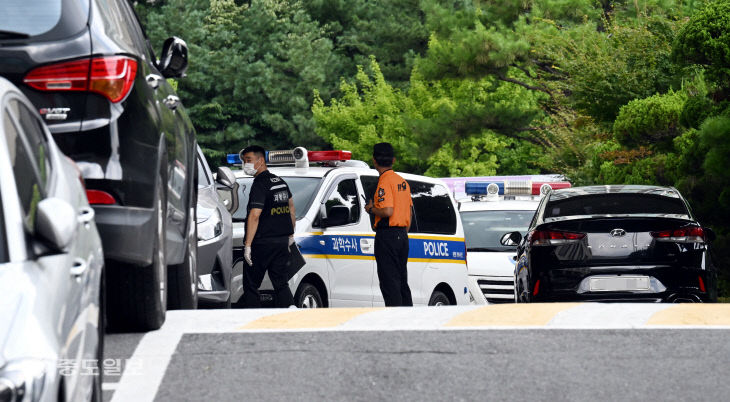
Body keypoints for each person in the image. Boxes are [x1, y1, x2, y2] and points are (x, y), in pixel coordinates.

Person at [240, 145, 296, 308]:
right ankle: (291, 312)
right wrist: (290, 234)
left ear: (261, 160)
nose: (246, 164)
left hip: (262, 243)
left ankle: (252, 319)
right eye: (244, 161)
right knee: (281, 284)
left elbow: (255, 215)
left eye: (249, 160)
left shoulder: (260, 184)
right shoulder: (280, 182)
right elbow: (291, 207)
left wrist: (248, 245)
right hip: (281, 242)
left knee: (251, 286)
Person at [365, 142, 413, 307]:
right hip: (402, 235)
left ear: (374, 160)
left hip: (388, 235)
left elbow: (387, 211)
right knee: (401, 282)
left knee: (389, 282)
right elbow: (409, 213)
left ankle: (395, 320)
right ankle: (409, 319)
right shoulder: (403, 182)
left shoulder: (384, 182)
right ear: (393, 160)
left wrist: (371, 209)